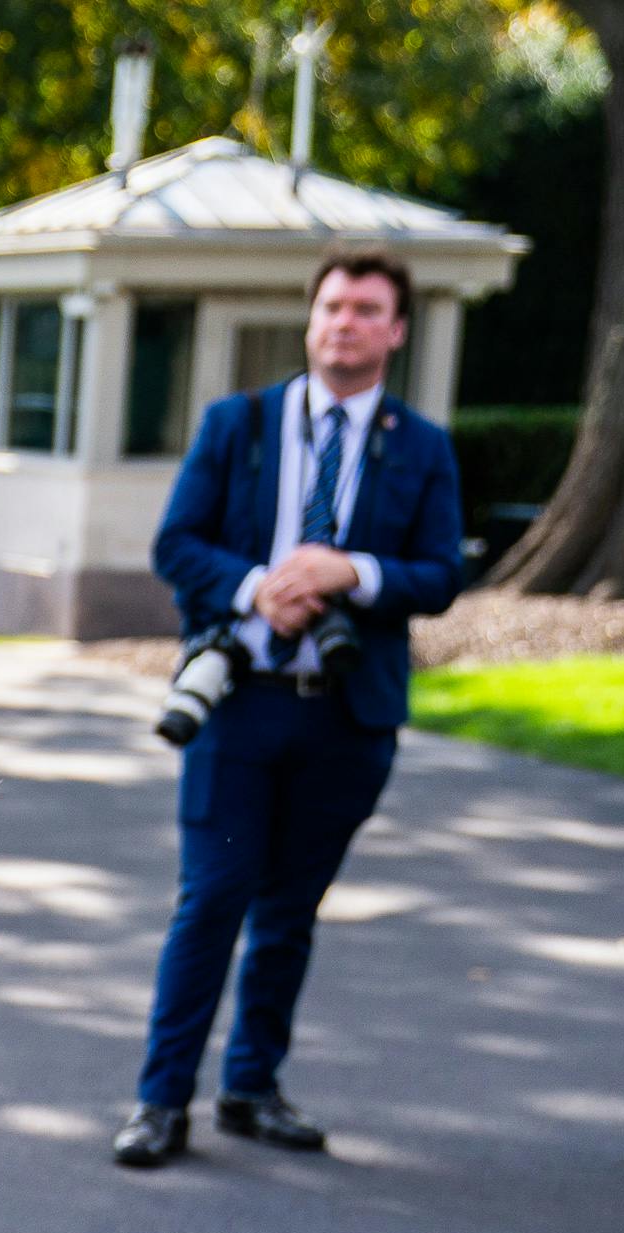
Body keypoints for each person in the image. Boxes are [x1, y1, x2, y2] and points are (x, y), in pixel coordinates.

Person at [113, 250, 465, 1169]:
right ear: (312, 321)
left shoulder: (421, 443)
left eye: (367, 310)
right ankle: (160, 1103)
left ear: (395, 331)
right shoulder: (239, 424)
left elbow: (441, 576)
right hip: (241, 704)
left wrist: (355, 571)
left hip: (347, 717)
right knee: (213, 898)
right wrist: (257, 587)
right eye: (333, 306)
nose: (345, 322)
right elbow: (177, 544)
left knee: (292, 909)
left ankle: (250, 1086)